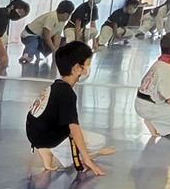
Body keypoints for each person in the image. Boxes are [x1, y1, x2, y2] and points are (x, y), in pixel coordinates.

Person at [26, 40, 115, 175]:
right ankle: (50, 149)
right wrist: (87, 158)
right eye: (86, 65)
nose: (88, 70)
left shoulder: (56, 86)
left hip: (35, 134)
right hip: (47, 138)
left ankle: (46, 148)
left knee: (81, 138)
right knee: (98, 141)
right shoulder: (66, 93)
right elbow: (74, 128)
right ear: (77, 68)